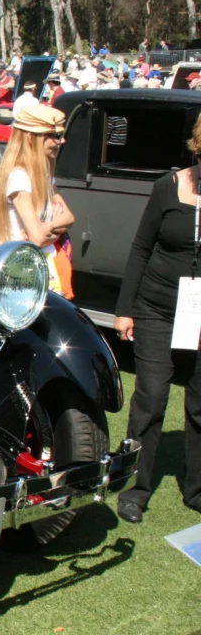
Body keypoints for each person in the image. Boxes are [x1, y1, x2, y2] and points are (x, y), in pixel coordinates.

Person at [113, 114, 201, 523]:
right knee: (149, 399)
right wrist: (125, 309)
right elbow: (141, 248)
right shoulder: (168, 186)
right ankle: (135, 488)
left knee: (199, 406)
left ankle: (196, 488)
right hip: (157, 309)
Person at [0, 104, 75, 299]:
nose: (61, 141)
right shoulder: (19, 177)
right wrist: (54, 228)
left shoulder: (44, 175)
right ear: (31, 138)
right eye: (54, 135)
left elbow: (69, 217)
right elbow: (38, 238)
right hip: (23, 277)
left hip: (44, 271)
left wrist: (48, 227)